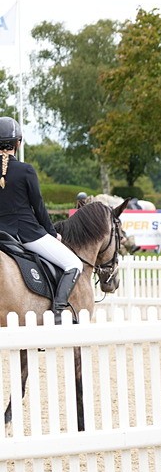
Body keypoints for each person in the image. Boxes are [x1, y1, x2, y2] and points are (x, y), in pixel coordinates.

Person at [0, 117, 83, 320]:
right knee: (74, 264)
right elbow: (38, 207)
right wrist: (53, 233)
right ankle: (57, 312)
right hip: (26, 233)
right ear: (17, 143)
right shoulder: (25, 170)